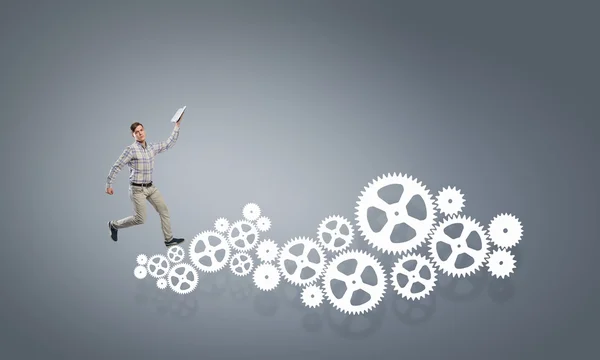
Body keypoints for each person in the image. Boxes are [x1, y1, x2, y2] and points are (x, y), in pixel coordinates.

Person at [105, 112, 185, 247]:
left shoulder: (151, 147)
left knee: (164, 210)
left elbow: (168, 144)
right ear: (133, 135)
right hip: (137, 190)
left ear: (144, 131)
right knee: (140, 219)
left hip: (151, 188)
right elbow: (117, 166)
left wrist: (177, 126)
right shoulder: (130, 150)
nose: (140, 133)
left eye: (141, 130)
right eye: (137, 132)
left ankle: (169, 239)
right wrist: (109, 184)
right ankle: (113, 225)